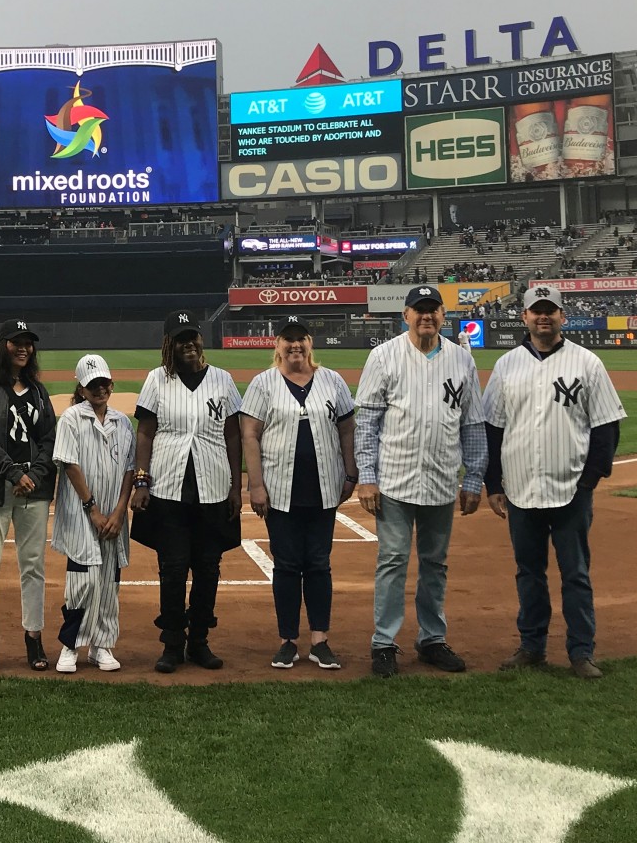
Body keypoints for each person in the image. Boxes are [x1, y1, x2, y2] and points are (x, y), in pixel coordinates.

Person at [483, 286, 626, 680]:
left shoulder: (587, 362)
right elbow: (493, 428)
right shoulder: (507, 365)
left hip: (570, 489)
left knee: (575, 572)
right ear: (525, 317)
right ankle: (532, 647)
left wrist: (590, 479)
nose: (543, 317)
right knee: (528, 572)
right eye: (536, 311)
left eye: (550, 310)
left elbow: (606, 426)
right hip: (521, 487)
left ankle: (581, 652)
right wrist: (493, 483)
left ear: (562, 316)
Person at [355, 285, 487, 676]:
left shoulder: (462, 360)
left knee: (435, 563)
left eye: (433, 309)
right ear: (406, 315)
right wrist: (367, 477)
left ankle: (432, 639)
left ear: (443, 315)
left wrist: (474, 477)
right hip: (395, 478)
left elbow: (473, 423)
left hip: (441, 478)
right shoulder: (383, 356)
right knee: (393, 560)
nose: (426, 316)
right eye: (419, 309)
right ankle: (384, 643)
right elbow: (367, 422)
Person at [240, 317, 357, 669]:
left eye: (301, 338)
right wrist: (256, 484)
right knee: (287, 565)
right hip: (280, 490)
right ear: (277, 345)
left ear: (310, 343)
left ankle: (320, 640)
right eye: (288, 339)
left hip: (324, 488)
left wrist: (350, 472)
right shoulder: (263, 383)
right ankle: (288, 640)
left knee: (319, 564)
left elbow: (347, 429)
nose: (295, 345)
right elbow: (250, 435)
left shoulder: (332, 380)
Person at [130, 310, 243, 673]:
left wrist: (236, 487)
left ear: (200, 339)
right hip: (168, 487)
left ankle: (199, 641)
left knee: (208, 568)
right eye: (180, 339)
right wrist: (142, 480)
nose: (188, 344)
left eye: (192, 336)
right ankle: (172, 643)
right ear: (169, 344)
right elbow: (145, 432)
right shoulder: (157, 380)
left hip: (213, 487)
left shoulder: (223, 380)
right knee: (174, 568)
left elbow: (233, 435)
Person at [0, 319, 57, 674]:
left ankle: (34, 637)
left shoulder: (39, 392)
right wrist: (14, 473)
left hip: (33, 489)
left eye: (28, 343)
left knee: (33, 566)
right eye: (16, 342)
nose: (23, 348)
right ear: (2, 345)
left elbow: (49, 439)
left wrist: (33, 475)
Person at [51, 353, 135, 673]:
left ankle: (101, 645)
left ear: (111, 384)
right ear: (81, 389)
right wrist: (92, 509)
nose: (99, 389)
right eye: (92, 385)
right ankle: (70, 645)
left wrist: (119, 511)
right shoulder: (71, 419)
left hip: (114, 514)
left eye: (103, 383)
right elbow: (70, 465)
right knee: (81, 580)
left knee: (110, 581)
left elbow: (129, 469)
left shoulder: (122, 422)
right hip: (81, 513)